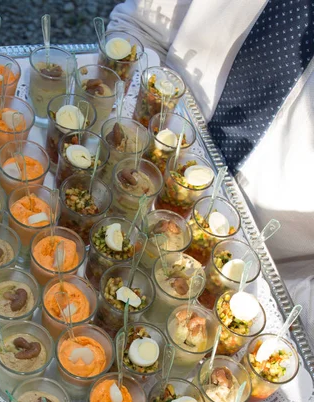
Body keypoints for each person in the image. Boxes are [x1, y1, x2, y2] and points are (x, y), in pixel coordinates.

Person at [108, 0, 314, 347]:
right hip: (131, 175)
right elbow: (141, 29)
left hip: (258, 288)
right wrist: (134, 141)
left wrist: (258, 303)